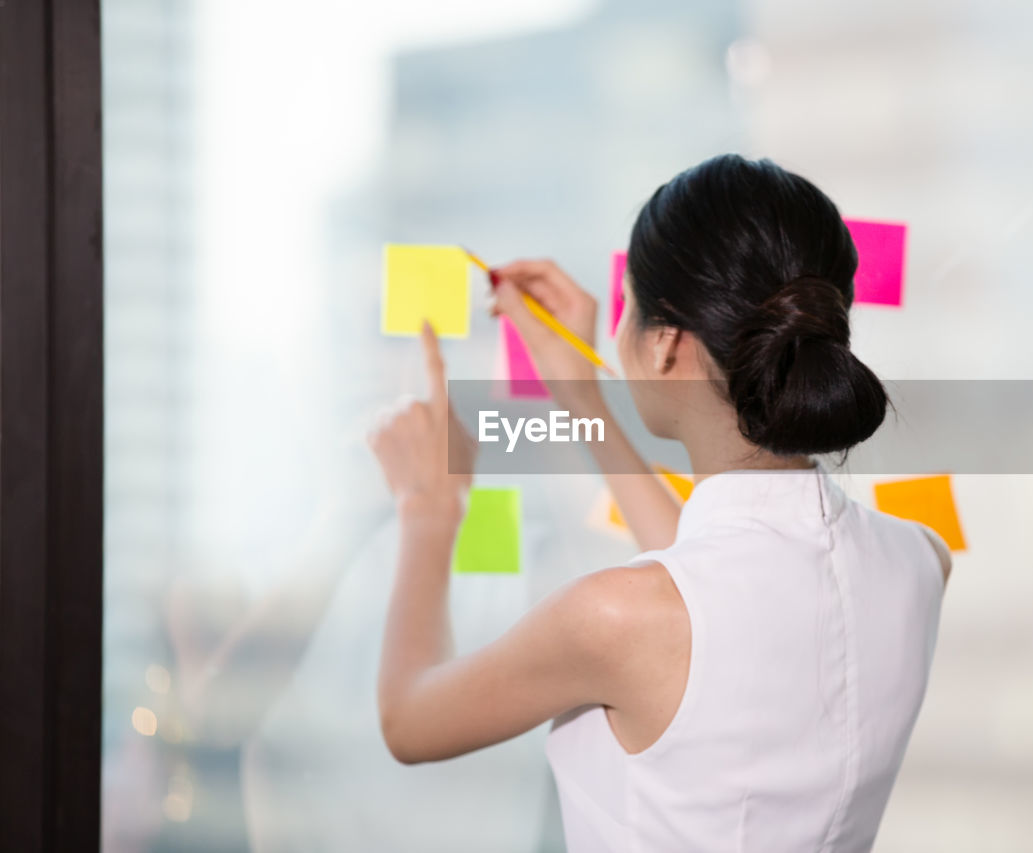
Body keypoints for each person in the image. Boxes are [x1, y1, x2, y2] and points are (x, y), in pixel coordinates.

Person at [367, 154, 951, 852]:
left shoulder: (615, 619)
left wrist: (428, 509)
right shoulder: (920, 560)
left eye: (626, 306)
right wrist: (581, 398)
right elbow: (724, 591)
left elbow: (408, 719)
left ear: (666, 341)